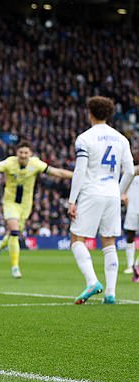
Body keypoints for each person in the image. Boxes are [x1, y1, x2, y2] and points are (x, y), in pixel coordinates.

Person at [0, 140, 72, 278]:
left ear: (30, 153)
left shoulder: (36, 164)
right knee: (14, 232)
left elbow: (57, 172)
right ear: (16, 153)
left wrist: (75, 175)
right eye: (21, 152)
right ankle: (15, 267)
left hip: (25, 205)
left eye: (26, 152)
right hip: (10, 202)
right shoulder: (9, 162)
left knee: (15, 232)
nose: (23, 155)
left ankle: (0, 246)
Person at [68, 96, 134, 304]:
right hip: (112, 194)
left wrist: (72, 200)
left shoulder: (85, 138)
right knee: (109, 242)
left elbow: (80, 171)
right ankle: (110, 293)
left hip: (91, 191)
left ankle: (92, 282)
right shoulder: (122, 138)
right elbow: (131, 171)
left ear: (90, 113)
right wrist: (119, 190)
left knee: (76, 239)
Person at [121, 153, 139, 276]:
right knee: (130, 236)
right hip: (132, 209)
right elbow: (123, 191)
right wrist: (124, 199)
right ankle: (130, 265)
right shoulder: (129, 173)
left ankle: (136, 265)